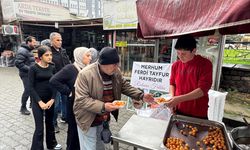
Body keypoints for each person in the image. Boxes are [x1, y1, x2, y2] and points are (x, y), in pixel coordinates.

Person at [73, 47, 154, 150]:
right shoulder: (85, 74)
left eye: (117, 64)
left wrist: (141, 95)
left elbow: (124, 85)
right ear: (103, 64)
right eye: (114, 64)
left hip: (104, 117)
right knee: (89, 147)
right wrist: (103, 106)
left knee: (101, 146)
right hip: (87, 119)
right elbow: (81, 100)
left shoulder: (115, 72)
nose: (117, 67)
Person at [50, 47, 92, 150]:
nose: (90, 58)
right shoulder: (70, 68)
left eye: (90, 55)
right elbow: (54, 80)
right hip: (74, 105)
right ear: (80, 56)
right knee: (73, 131)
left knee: (84, 130)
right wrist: (68, 92)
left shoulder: (88, 68)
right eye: (87, 55)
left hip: (87, 105)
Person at [166, 34, 213, 119]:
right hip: (178, 110)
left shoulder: (205, 64)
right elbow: (172, 84)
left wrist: (178, 99)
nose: (180, 56)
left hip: (197, 112)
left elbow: (202, 90)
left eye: (183, 53)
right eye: (178, 53)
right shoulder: (175, 65)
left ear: (194, 51)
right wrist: (172, 98)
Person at [29, 45, 61, 150]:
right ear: (40, 57)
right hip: (38, 101)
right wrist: (39, 102)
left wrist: (52, 99)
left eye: (51, 54)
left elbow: (55, 84)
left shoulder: (52, 67)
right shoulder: (33, 68)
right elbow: (30, 87)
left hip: (50, 101)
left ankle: (51, 144)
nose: (50, 57)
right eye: (47, 55)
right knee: (39, 128)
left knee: (50, 123)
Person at [50, 32, 70, 133]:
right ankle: (53, 123)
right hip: (55, 82)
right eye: (58, 40)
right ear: (51, 41)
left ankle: (64, 117)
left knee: (66, 101)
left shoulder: (63, 51)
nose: (60, 42)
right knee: (56, 104)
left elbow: (68, 63)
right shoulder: (49, 52)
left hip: (65, 81)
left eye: (61, 40)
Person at [15, 36, 36, 115]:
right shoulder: (23, 50)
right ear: (29, 42)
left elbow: (30, 61)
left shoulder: (28, 50)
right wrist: (30, 69)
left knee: (32, 89)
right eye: (34, 42)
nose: (35, 44)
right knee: (27, 90)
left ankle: (32, 104)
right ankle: (23, 108)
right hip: (25, 74)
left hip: (30, 73)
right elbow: (18, 63)